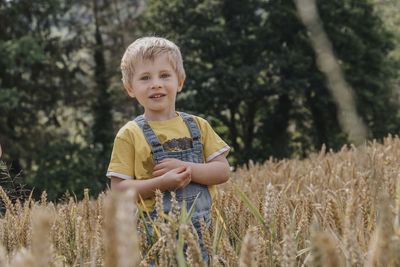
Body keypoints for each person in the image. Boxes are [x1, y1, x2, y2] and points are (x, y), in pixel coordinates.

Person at [106, 37, 231, 263]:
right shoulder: (129, 134)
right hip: (155, 242)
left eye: (164, 75)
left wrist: (187, 169)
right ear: (130, 88)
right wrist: (162, 184)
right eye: (145, 78)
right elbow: (119, 191)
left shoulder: (199, 126)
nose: (156, 84)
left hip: (203, 237)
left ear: (180, 82)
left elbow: (222, 171)